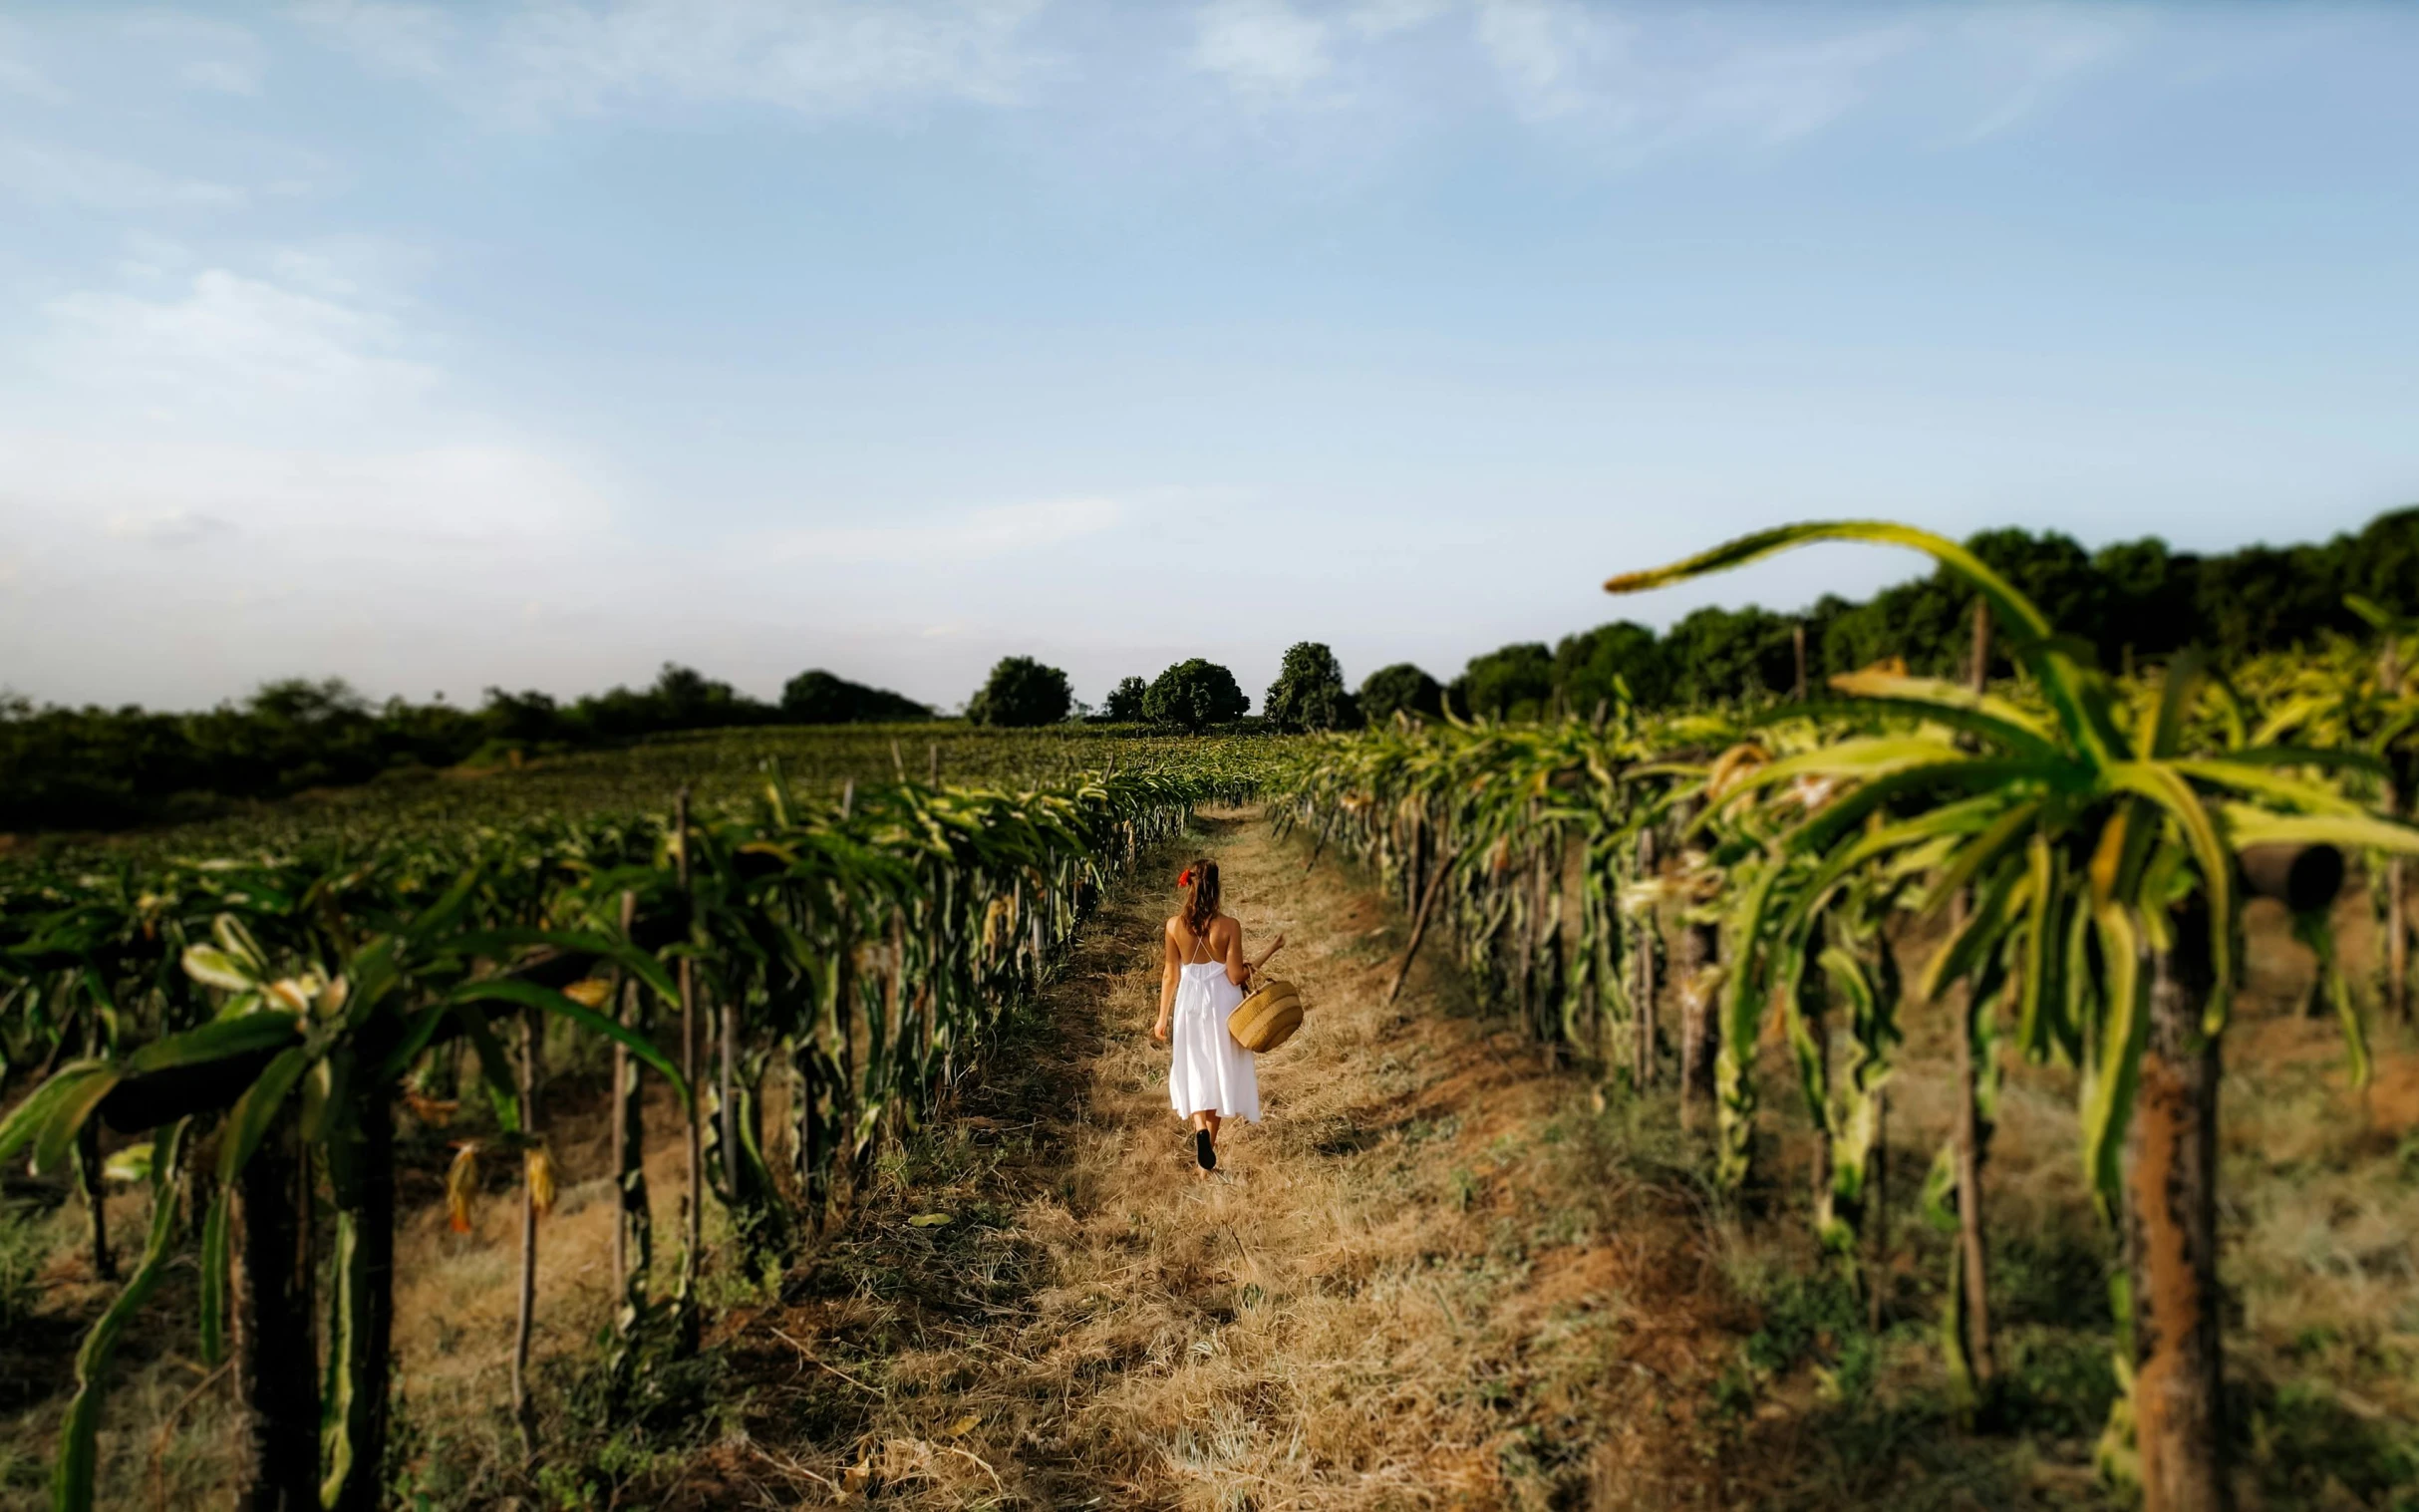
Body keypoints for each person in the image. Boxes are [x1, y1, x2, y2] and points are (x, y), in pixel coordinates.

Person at [1153, 857, 1282, 1176]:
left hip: (1190, 1004)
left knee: (1195, 1069)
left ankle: (1198, 1130)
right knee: (1219, 1071)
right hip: (1223, 1005)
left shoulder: (1173, 926)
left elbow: (1170, 975)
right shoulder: (1229, 926)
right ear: (1217, 887)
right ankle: (1204, 1158)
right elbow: (1237, 976)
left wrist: (1162, 1017)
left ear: (1190, 885)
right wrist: (1265, 956)